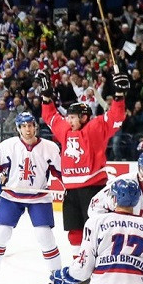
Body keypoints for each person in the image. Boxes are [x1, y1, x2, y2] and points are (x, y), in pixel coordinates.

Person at [40, 70, 127, 264]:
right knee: (74, 229)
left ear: (84, 117)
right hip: (70, 191)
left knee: (95, 229)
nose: (69, 120)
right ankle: (79, 266)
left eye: (73, 117)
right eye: (69, 117)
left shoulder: (95, 128)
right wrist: (46, 97)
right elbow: (51, 116)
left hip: (93, 189)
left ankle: (99, 264)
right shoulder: (65, 130)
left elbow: (115, 117)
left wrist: (119, 96)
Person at [0, 112, 63, 284]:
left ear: (35, 127)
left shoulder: (50, 147)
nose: (28, 129)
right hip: (11, 196)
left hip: (39, 196)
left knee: (44, 234)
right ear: (18, 128)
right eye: (23, 126)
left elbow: (62, 173)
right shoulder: (8, 145)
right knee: (2, 231)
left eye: (30, 125)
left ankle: (57, 272)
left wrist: (72, 189)